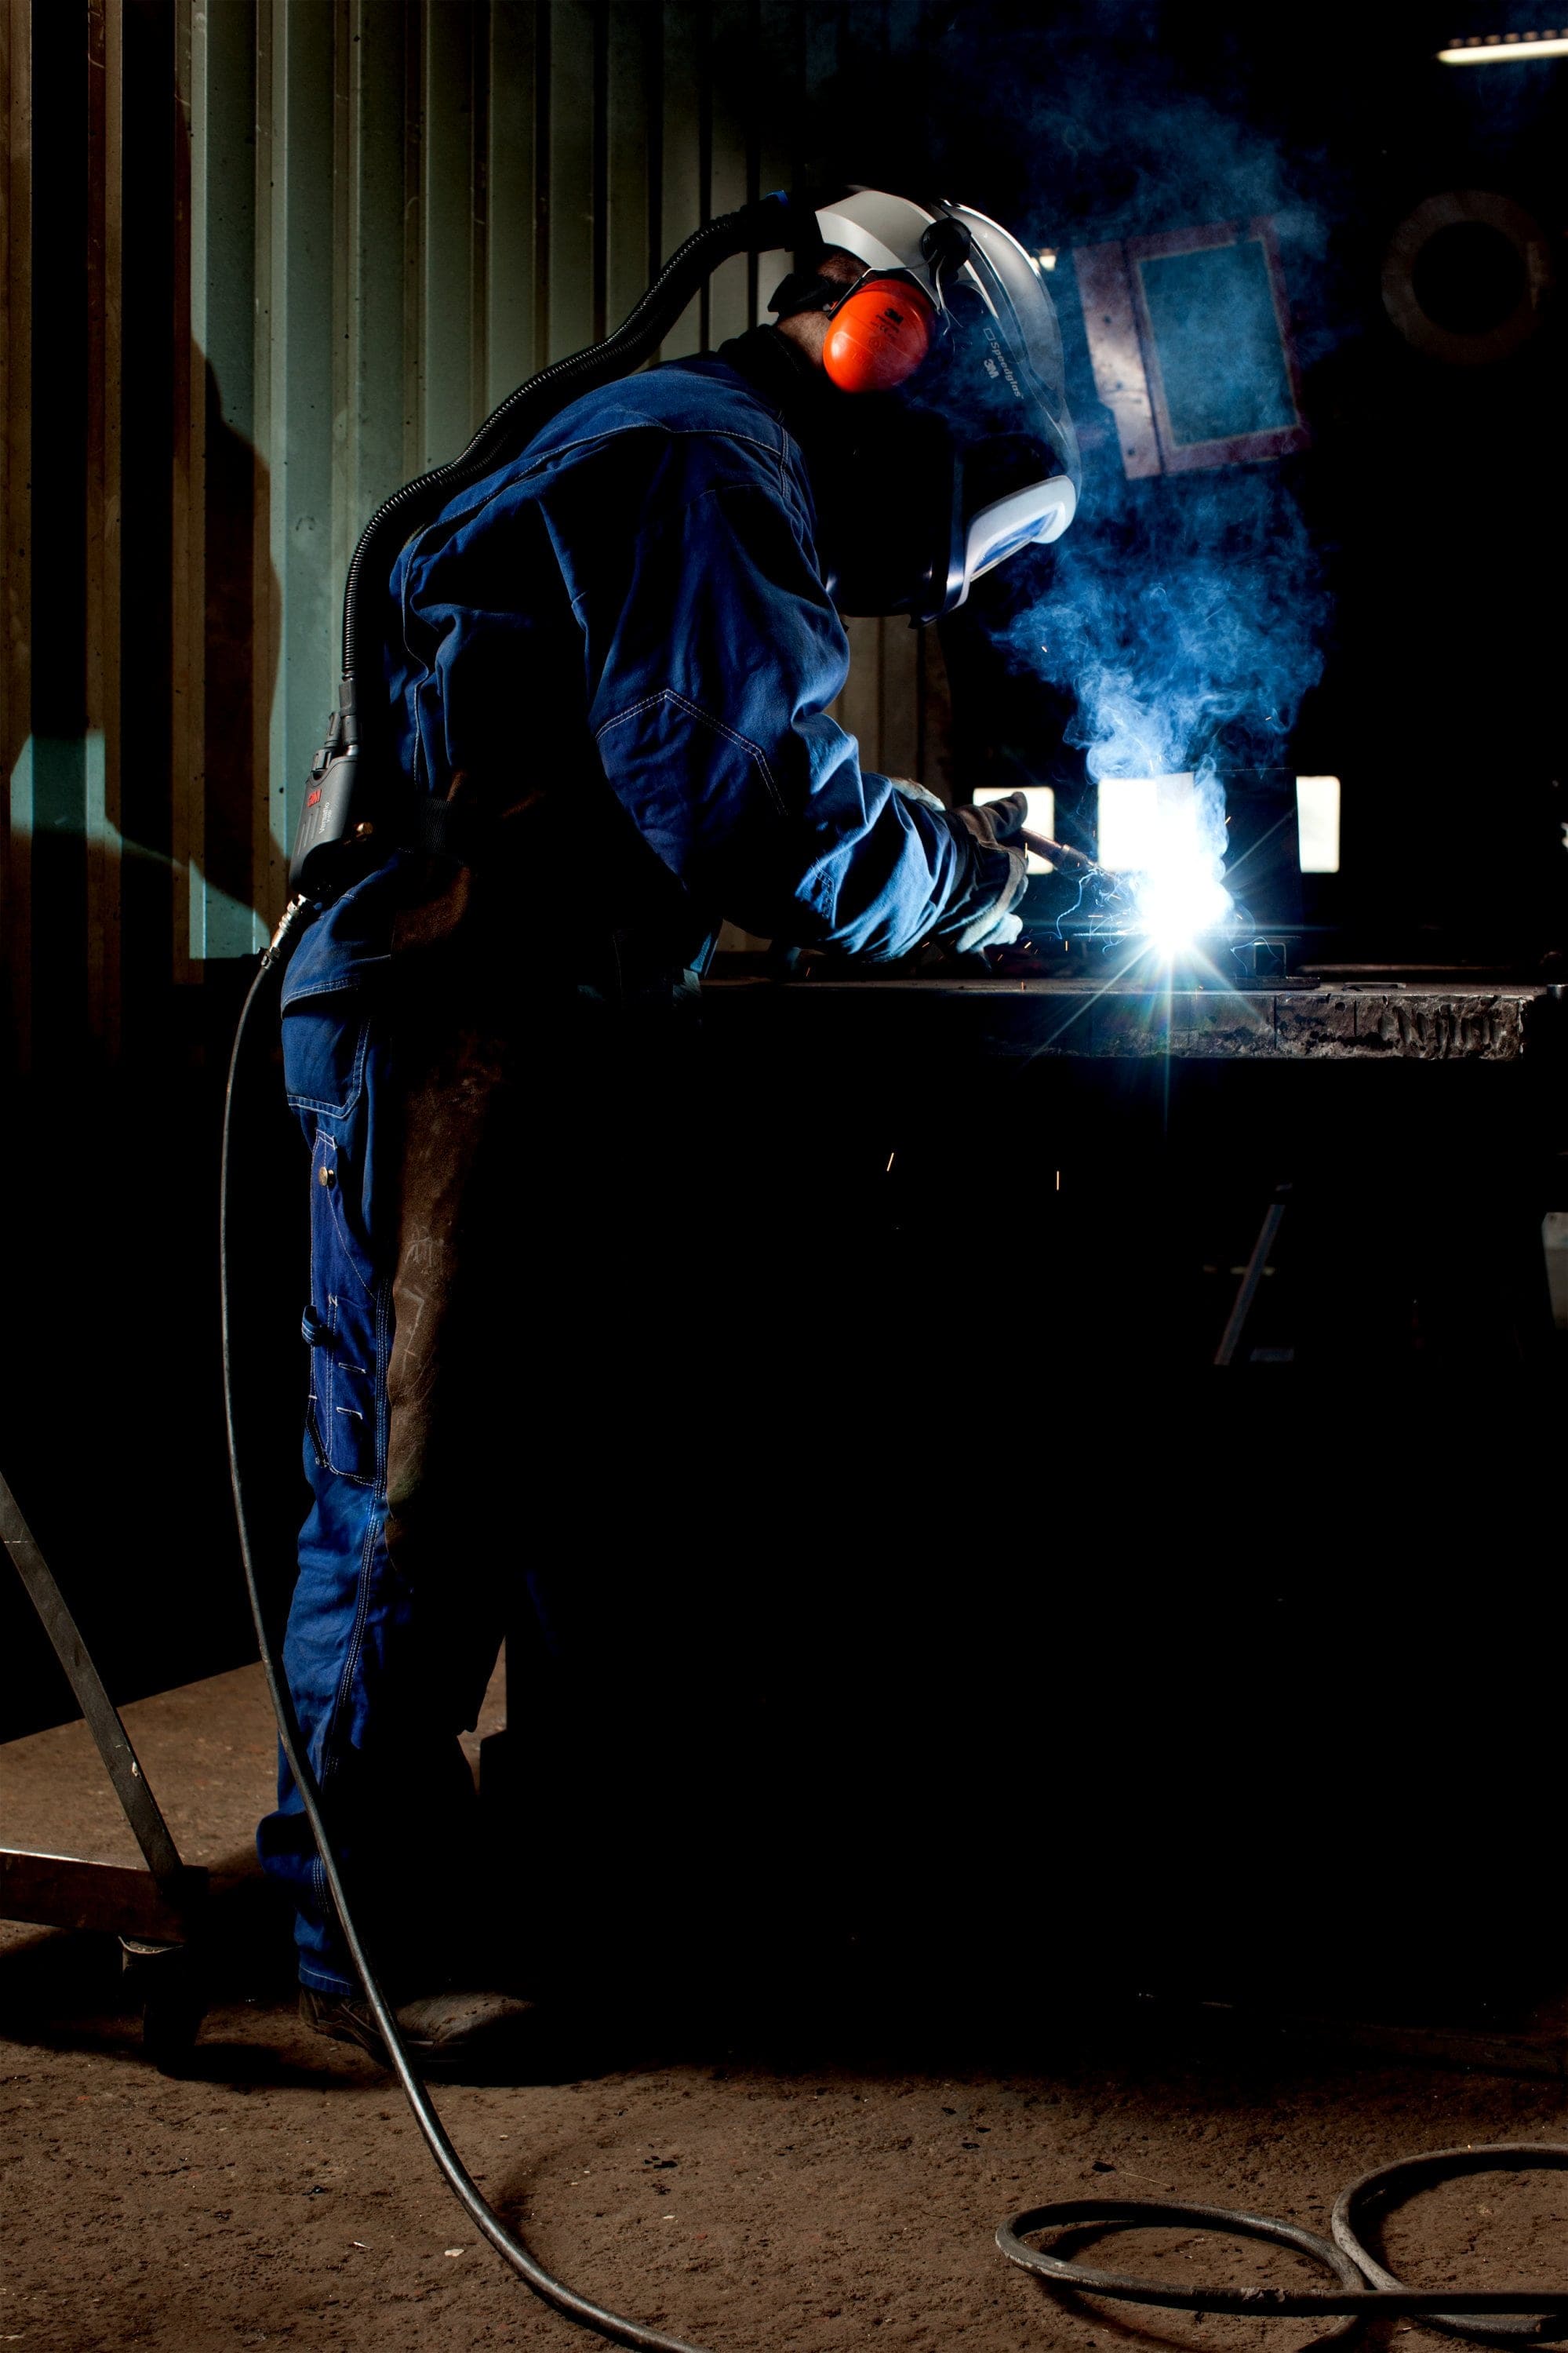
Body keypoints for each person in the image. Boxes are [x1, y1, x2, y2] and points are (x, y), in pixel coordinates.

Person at [257, 189, 1081, 2070]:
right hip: (455, 1012)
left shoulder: (682, 449)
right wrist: (981, 882)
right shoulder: (705, 459)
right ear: (886, 346)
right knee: (415, 1486)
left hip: (537, 1007)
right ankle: (360, 1949)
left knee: (567, 1475)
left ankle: (569, 1895)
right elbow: (747, 804)